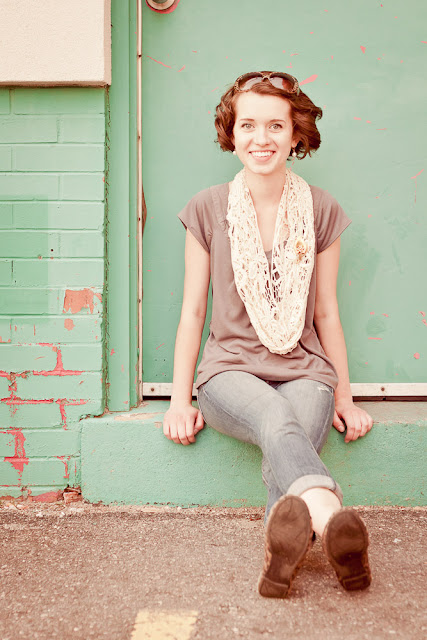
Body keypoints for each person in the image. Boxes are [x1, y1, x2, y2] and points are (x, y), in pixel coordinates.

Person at [163, 71, 373, 598]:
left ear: (296, 134)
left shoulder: (321, 210)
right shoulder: (207, 208)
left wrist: (344, 396)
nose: (262, 138)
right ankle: (329, 514)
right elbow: (193, 311)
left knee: (288, 422)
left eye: (276, 126)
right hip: (229, 373)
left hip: (306, 369)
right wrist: (179, 400)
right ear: (231, 134)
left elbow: (327, 312)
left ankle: (285, 554)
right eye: (248, 125)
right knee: (277, 417)